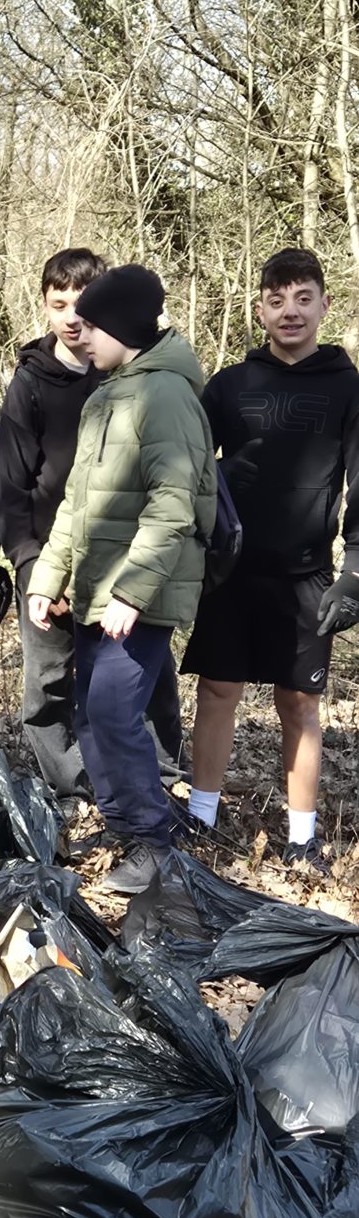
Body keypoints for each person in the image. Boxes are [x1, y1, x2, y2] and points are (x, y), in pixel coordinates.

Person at [27, 265, 216, 894]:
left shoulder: (164, 396)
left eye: (94, 324)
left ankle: (151, 843)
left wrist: (133, 590)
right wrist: (48, 577)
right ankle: (123, 822)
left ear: (126, 329)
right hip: (93, 588)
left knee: (111, 710)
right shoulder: (109, 393)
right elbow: (78, 504)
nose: (79, 333)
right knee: (89, 715)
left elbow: (173, 505)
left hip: (138, 595)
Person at [181, 247, 359, 874]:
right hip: (230, 571)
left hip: (307, 573)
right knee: (217, 690)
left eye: (303, 298)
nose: (291, 312)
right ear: (260, 308)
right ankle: (200, 817)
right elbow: (190, 469)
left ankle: (303, 837)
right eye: (277, 300)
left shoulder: (347, 386)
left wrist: (355, 568)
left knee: (299, 705)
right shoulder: (230, 384)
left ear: (323, 305)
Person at [0, 247, 188, 805]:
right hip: (47, 564)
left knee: (144, 682)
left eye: (84, 304)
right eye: (60, 305)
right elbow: (11, 490)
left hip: (123, 569)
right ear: (46, 308)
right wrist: (36, 569)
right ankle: (81, 786)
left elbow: (167, 489)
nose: (73, 318)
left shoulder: (137, 378)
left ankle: (161, 780)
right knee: (50, 685)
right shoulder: (31, 383)